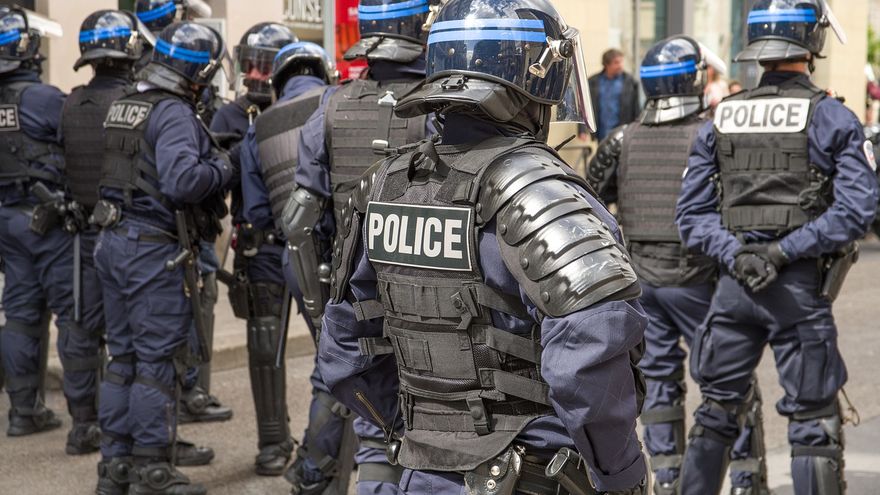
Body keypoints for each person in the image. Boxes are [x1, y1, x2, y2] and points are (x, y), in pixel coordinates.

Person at [311, 0, 651, 493]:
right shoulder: (539, 190)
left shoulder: (384, 186)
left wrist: (420, 433)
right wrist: (622, 475)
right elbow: (590, 354)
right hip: (534, 473)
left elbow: (345, 350)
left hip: (420, 474)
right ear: (532, 75)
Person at [675, 1, 879, 494]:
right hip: (799, 291)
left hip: (734, 289)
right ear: (813, 43)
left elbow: (691, 217)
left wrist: (738, 255)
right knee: (812, 424)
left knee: (715, 415)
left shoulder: (720, 117)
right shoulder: (833, 116)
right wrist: (782, 253)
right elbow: (857, 211)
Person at [589, 36, 771, 495]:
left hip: (641, 283)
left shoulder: (622, 138)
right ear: (694, 81)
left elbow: (589, 199)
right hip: (701, 280)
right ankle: (746, 480)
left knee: (659, 381)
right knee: (729, 382)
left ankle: (668, 479)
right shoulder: (713, 135)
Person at [280, 1, 440, 493]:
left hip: (355, 289)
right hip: (430, 292)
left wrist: (323, 304)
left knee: (373, 424)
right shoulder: (442, 102)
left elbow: (298, 224)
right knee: (438, 421)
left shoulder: (331, 105)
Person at [93, 20, 232, 495]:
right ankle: (153, 470)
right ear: (198, 72)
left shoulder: (125, 103)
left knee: (122, 358)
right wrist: (222, 166)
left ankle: (115, 467)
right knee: (155, 361)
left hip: (113, 241)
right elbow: (182, 181)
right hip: (150, 250)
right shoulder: (172, 112)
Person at [135, 0, 233, 426]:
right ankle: (186, 396)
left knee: (136, 346)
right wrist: (222, 167)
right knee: (178, 322)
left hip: (134, 228)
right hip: (169, 228)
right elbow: (181, 178)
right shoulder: (173, 97)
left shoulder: (141, 80)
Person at [209, 21, 301, 476]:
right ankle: (272, 441)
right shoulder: (230, 116)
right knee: (265, 348)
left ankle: (343, 444)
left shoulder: (307, 105)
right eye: (252, 63)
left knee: (341, 344)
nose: (257, 74)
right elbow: (212, 179)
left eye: (266, 64)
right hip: (260, 248)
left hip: (314, 242)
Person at [0, 6, 72, 441]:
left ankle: (22, 412)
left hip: (7, 221)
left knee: (20, 315)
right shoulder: (43, 99)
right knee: (74, 314)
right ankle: (88, 419)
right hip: (47, 221)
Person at [587, 48, 641, 141]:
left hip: (623, 132)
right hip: (602, 132)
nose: (620, 65)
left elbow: (636, 108)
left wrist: (638, 128)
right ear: (607, 64)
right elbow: (586, 106)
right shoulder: (593, 82)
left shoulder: (630, 82)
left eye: (621, 62)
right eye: (616, 62)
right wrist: (582, 129)